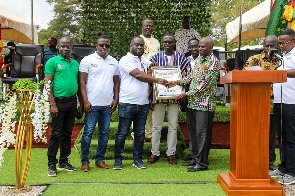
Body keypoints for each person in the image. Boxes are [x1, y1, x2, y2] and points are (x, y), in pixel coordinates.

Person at [113, 36, 168, 170]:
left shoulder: (143, 60)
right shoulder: (125, 60)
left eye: (141, 45)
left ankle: (137, 160)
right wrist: (157, 80)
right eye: (137, 45)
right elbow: (138, 75)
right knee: (122, 132)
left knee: (140, 133)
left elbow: (149, 71)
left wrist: (153, 68)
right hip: (127, 102)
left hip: (143, 103)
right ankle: (118, 160)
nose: (139, 47)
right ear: (130, 45)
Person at [168, 36, 220, 171]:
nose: (200, 48)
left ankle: (202, 163)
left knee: (202, 133)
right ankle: (195, 157)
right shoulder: (198, 60)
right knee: (194, 132)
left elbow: (205, 85)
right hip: (192, 103)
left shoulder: (213, 62)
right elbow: (192, 76)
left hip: (205, 104)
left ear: (211, 48)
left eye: (203, 46)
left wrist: (186, 94)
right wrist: (178, 82)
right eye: (199, 46)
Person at [147, 33, 191, 165]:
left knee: (173, 126)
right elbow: (148, 76)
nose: (167, 44)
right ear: (162, 42)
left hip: (174, 97)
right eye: (165, 42)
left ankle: (171, 153)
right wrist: (151, 68)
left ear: (174, 43)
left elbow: (187, 76)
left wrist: (183, 93)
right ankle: (154, 152)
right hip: (159, 97)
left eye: (170, 42)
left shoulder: (181, 58)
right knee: (156, 126)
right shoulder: (155, 57)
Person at [79, 35, 119, 172]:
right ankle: (85, 161)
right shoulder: (87, 60)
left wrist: (116, 99)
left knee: (104, 133)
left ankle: (99, 159)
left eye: (107, 45)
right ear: (96, 46)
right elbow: (82, 82)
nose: (104, 48)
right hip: (92, 104)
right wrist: (85, 101)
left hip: (107, 105)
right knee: (88, 133)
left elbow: (116, 81)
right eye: (101, 45)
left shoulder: (114, 62)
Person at [45, 36, 83, 177]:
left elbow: (78, 85)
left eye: (68, 46)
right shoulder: (52, 62)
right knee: (56, 134)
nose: (65, 48)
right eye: (62, 46)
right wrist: (53, 104)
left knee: (67, 133)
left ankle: (64, 161)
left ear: (72, 47)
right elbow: (47, 85)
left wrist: (80, 105)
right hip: (58, 103)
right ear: (58, 47)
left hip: (72, 102)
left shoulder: (75, 64)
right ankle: (51, 165)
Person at [243, 35, 281, 171]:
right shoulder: (253, 60)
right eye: (267, 45)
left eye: (272, 45)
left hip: (274, 105)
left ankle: (269, 162)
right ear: (263, 45)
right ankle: (253, 159)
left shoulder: (280, 62)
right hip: (256, 104)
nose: (269, 48)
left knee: (271, 136)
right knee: (254, 134)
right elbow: (243, 79)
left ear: (277, 46)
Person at [270, 28, 295, 185]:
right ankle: (284, 167)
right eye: (279, 43)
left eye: (283, 43)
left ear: (293, 41)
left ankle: (292, 172)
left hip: (291, 102)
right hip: (279, 101)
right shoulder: (283, 57)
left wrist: (281, 74)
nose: (280, 45)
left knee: (291, 138)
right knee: (282, 136)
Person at [131, 18, 160, 142]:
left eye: (150, 25)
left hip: (153, 76)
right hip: (141, 75)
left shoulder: (156, 42)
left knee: (150, 104)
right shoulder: (137, 40)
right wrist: (149, 64)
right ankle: (135, 133)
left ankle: (148, 133)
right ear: (142, 27)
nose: (148, 27)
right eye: (146, 25)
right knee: (139, 103)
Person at [181, 38, 199, 164]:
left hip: (201, 99)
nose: (193, 49)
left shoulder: (206, 61)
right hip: (189, 98)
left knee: (200, 129)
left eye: (196, 46)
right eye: (191, 47)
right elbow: (185, 78)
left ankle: (199, 155)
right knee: (191, 127)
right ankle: (192, 153)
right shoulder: (186, 61)